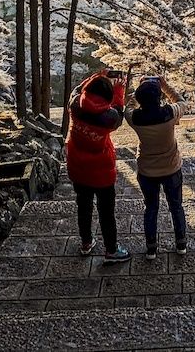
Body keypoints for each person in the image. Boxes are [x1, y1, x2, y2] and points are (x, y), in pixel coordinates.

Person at [65, 70, 131, 263]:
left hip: (77, 167)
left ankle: (86, 242)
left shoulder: (75, 104)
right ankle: (111, 250)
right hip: (101, 171)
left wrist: (97, 75)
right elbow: (119, 110)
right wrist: (119, 89)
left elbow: (77, 89)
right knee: (106, 212)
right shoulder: (108, 118)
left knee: (83, 206)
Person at [125, 76, 188, 259]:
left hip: (147, 170)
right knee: (176, 206)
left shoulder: (134, 118)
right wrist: (165, 85)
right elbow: (181, 101)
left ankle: (151, 248)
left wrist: (138, 91)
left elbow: (127, 107)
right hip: (171, 168)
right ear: (159, 96)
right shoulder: (170, 113)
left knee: (151, 208)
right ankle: (181, 244)